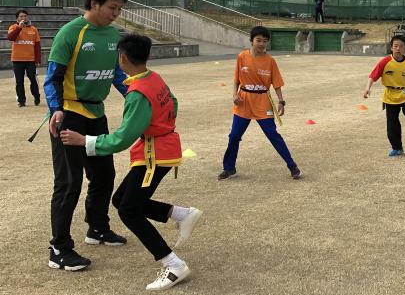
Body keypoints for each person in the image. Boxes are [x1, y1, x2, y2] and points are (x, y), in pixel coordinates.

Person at [60, 34, 202, 290]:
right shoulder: (153, 77)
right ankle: (182, 214)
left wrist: (85, 141)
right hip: (161, 149)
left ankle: (173, 264)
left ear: (122, 58)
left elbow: (123, 137)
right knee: (121, 200)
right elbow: (174, 103)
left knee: (128, 210)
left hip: (155, 155)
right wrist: (162, 124)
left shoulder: (137, 93)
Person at [43, 0, 129, 271]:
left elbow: (117, 75)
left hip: (97, 114)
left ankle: (97, 228)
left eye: (119, 9)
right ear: (95, 3)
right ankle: (59, 248)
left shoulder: (114, 35)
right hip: (69, 113)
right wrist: (55, 110)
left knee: (104, 176)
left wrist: (137, 97)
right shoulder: (71, 33)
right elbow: (52, 77)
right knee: (69, 183)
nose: (116, 13)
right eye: (112, 7)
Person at [218, 25, 302, 180]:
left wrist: (281, 102)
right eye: (258, 40)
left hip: (263, 101)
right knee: (234, 135)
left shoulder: (270, 61)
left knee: (272, 134)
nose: (262, 44)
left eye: (265, 41)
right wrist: (234, 95)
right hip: (243, 101)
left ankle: (292, 166)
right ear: (251, 41)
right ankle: (229, 168)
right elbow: (236, 80)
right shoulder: (242, 57)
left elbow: (276, 83)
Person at [363, 34, 405, 157]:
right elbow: (373, 76)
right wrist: (367, 88)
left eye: (401, 46)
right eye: (395, 46)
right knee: (392, 125)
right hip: (391, 97)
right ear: (391, 48)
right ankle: (397, 148)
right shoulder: (385, 62)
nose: (398, 49)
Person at [7, 9, 41, 107]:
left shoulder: (34, 29)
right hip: (17, 60)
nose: (23, 18)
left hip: (30, 60)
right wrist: (19, 28)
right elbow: (11, 38)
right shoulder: (13, 27)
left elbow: (37, 45)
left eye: (25, 16)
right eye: (21, 16)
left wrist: (38, 59)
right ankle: (21, 101)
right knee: (19, 81)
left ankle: (36, 97)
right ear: (17, 18)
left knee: (33, 80)